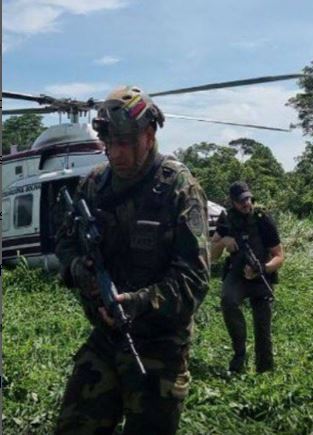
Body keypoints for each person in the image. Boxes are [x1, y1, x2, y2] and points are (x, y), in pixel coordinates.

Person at [54, 85, 210, 435]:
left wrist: (138, 302)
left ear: (150, 135)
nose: (117, 154)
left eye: (125, 143)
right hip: (107, 338)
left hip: (159, 344)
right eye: (110, 144)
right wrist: (79, 269)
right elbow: (64, 242)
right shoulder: (94, 185)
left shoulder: (177, 188)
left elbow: (194, 281)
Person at [210, 181, 284, 373]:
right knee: (228, 301)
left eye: (248, 199)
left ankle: (265, 369)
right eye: (241, 201)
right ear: (233, 202)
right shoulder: (226, 219)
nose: (246, 204)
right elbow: (212, 255)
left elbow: (279, 256)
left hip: (261, 275)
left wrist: (262, 269)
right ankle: (239, 355)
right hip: (237, 273)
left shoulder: (262, 219)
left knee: (263, 328)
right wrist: (224, 241)